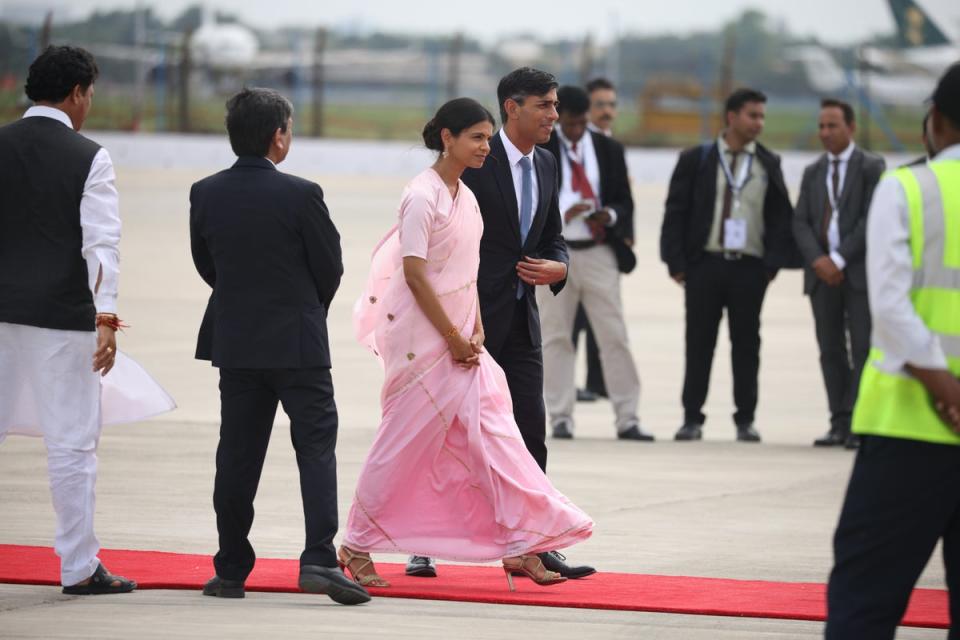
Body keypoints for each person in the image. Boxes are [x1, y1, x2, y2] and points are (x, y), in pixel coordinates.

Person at [343, 97, 593, 591]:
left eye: (487, 137)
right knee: (403, 443)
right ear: (447, 139)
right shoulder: (421, 196)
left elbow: (467, 271)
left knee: (499, 436)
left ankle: (523, 547)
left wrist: (474, 328)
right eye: (477, 137)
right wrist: (455, 336)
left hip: (463, 335)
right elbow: (414, 275)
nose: (485, 146)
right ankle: (353, 544)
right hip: (420, 337)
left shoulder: (464, 195)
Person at [190, 88, 369, 605]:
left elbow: (208, 264)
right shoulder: (301, 193)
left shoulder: (205, 191)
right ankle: (316, 558)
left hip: (237, 340)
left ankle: (229, 570)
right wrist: (305, 307)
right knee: (314, 449)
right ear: (279, 136)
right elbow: (329, 267)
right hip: (297, 342)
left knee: (237, 454)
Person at [825, 62, 960, 639]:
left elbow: (891, 303)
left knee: (865, 600)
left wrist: (945, 389)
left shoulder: (909, 186)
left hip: (910, 425)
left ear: (936, 119)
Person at [0, 46, 136, 596]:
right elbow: (101, 245)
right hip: (60, 317)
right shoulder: (90, 155)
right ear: (78, 92)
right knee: (71, 446)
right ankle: (78, 566)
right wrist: (106, 315)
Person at [660, 88, 798, 442]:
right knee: (699, 342)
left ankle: (745, 419)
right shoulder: (698, 159)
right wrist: (676, 263)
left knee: (747, 344)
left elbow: (781, 218)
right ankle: (692, 418)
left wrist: (771, 267)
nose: (759, 123)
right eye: (753, 115)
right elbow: (676, 212)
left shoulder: (769, 162)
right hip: (704, 265)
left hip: (749, 269)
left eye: (762, 116)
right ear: (732, 117)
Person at [539, 85, 649, 441]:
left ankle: (628, 416)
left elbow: (625, 201)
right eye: (568, 124)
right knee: (556, 337)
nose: (575, 131)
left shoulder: (608, 149)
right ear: (559, 121)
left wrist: (611, 216)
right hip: (556, 251)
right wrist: (561, 212)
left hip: (598, 250)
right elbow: (530, 202)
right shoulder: (542, 148)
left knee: (614, 335)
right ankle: (560, 416)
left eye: (580, 124)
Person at [792, 99, 885, 449]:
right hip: (821, 276)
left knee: (862, 348)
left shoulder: (871, 167)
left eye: (832, 126)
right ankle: (838, 421)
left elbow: (870, 218)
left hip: (856, 274)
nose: (825, 133)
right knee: (830, 349)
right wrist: (819, 261)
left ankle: (860, 421)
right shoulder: (813, 171)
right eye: (821, 126)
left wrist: (840, 259)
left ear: (851, 128)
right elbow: (800, 221)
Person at [574, 76, 626, 403]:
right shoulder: (578, 146)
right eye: (600, 105)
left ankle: (597, 381)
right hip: (577, 243)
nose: (607, 111)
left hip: (605, 244)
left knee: (601, 320)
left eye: (611, 104)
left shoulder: (610, 145)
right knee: (571, 323)